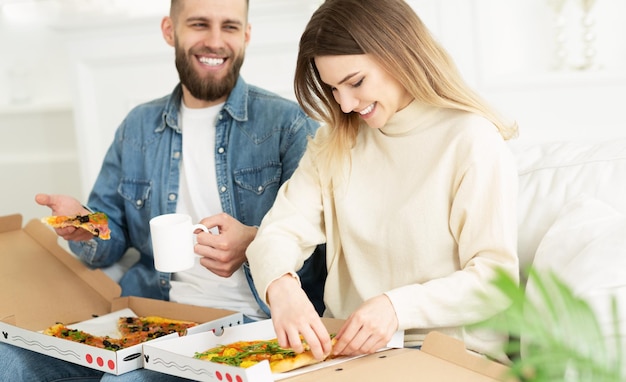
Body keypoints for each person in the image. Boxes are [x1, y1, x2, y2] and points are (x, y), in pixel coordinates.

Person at [0, 0, 325, 381]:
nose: (215, 41)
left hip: (250, 324)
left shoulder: (288, 124)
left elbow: (319, 252)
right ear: (170, 30)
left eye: (230, 27)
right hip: (150, 316)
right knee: (10, 357)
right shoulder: (138, 127)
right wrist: (86, 225)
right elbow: (111, 236)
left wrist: (254, 246)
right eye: (200, 24)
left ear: (247, 36)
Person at [246, 0, 520, 364]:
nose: (344, 104)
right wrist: (281, 287)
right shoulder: (334, 143)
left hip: (449, 355)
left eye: (355, 82)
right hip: (347, 354)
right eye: (333, 89)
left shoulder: (471, 140)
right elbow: (279, 231)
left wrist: (396, 307)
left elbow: (495, 283)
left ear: (399, 53)